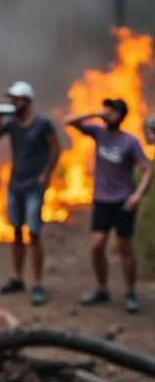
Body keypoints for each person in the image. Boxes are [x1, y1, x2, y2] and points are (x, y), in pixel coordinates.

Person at [65, 99, 152, 313]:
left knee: (125, 248)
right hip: (102, 200)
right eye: (108, 109)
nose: (108, 113)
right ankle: (102, 289)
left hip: (123, 202)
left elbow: (148, 169)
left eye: (113, 111)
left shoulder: (130, 142)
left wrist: (138, 195)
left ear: (121, 116)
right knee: (97, 246)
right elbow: (69, 121)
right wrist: (96, 113)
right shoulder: (98, 133)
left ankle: (130, 293)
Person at [0, 81, 60, 306]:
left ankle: (38, 284)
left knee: (34, 233)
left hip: (34, 186)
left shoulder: (43, 124)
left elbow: (56, 148)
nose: (12, 102)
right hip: (16, 185)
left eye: (16, 99)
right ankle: (18, 278)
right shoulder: (12, 123)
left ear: (27, 101)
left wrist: (46, 174)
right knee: (17, 231)